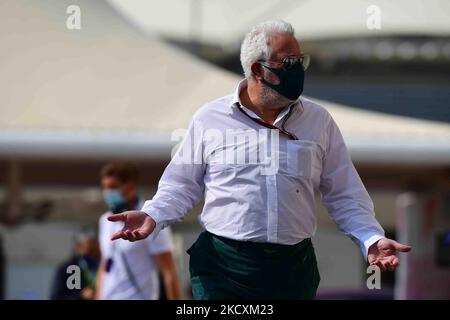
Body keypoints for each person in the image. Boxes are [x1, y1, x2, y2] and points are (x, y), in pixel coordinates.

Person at [107, 20, 411, 299]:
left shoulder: (319, 121)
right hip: (223, 267)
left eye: (300, 61)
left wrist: (371, 238)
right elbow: (182, 185)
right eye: (288, 62)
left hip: (293, 268)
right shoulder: (209, 118)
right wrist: (153, 215)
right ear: (257, 69)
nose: (298, 69)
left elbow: (344, 193)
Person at [96, 161, 181, 300]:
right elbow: (104, 266)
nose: (107, 192)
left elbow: (168, 271)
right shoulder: (105, 220)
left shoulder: (151, 219)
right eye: (105, 187)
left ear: (131, 187)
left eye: (113, 187)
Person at [50, 226, 100, 300]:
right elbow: (56, 297)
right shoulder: (65, 270)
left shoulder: (104, 266)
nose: (96, 249)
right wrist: (81, 295)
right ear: (78, 246)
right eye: (91, 247)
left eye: (97, 245)